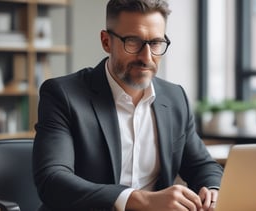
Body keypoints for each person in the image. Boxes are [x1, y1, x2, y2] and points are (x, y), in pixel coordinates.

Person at [32, 0, 223, 210]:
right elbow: (52, 180)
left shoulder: (174, 97)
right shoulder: (63, 95)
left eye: (156, 43)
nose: (146, 57)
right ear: (106, 41)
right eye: (133, 42)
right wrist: (142, 200)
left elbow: (202, 166)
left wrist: (212, 190)